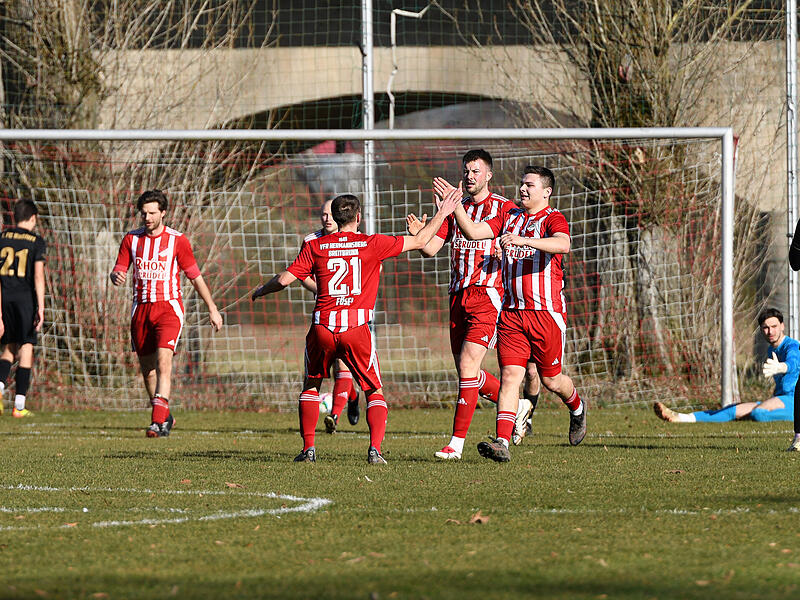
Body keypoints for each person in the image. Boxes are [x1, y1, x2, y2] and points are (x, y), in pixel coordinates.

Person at [252, 190, 459, 464]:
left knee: (311, 385)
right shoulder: (372, 243)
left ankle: (308, 449)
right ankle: (374, 450)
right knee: (373, 389)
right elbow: (422, 240)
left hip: (323, 327)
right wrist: (443, 213)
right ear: (358, 217)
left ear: (334, 218)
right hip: (356, 327)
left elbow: (283, 280)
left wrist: (261, 290)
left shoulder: (315, 246)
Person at [446, 165, 587, 462]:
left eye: (529, 185)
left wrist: (525, 241)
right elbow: (473, 232)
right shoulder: (509, 216)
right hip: (511, 314)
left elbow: (563, 244)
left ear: (546, 192)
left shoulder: (552, 218)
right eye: (522, 184)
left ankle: (577, 407)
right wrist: (455, 205)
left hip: (545, 313)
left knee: (551, 380)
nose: (522, 189)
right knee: (510, 376)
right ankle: (502, 442)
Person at [406, 149, 532, 460]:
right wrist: (420, 235)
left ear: (489, 175)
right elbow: (431, 249)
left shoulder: (504, 207)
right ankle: (517, 405)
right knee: (468, 374)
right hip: (457, 296)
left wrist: (453, 207)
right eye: (466, 170)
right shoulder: (456, 208)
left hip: (488, 295)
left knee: (467, 366)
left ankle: (456, 445)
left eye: (476, 171)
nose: (469, 176)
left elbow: (479, 233)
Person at [110, 190, 223, 437]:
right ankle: (165, 415)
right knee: (148, 370)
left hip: (168, 308)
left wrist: (212, 308)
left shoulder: (177, 240)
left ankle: (157, 421)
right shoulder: (131, 239)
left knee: (164, 362)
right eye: (144, 213)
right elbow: (119, 267)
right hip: (141, 309)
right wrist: (115, 275)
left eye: (152, 213)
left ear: (163, 213)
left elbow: (195, 277)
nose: (147, 218)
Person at [654, 307, 799, 425]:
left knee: (758, 413)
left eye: (774, 326)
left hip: (793, 400)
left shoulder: (792, 346)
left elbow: (793, 363)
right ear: (761, 329)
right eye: (766, 328)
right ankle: (681, 417)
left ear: (782, 326)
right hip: (781, 398)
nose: (770, 331)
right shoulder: (772, 349)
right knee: (732, 410)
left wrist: (783, 367)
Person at [300, 199, 361, 434]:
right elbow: (301, 273)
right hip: (324, 311)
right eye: (323, 214)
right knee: (326, 366)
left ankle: (334, 415)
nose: (327, 219)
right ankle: (352, 396)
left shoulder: (356, 239)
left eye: (330, 214)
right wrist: (322, 289)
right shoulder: (311, 241)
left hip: (351, 311)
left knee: (343, 363)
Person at [0, 199, 46, 418]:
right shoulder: (36, 241)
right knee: (26, 345)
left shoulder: (2, 238)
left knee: (9, 346)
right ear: (33, 218)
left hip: (4, 297)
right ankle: (19, 405)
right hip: (25, 300)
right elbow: (38, 275)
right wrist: (41, 307)